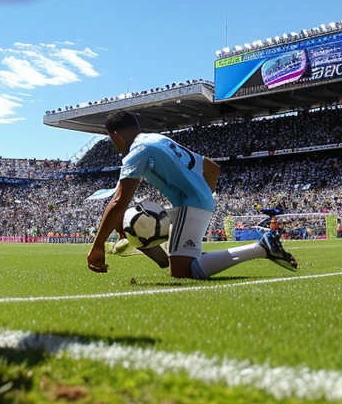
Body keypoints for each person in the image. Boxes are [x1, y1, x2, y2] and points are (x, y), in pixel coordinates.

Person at [87, 111, 297, 279]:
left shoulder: (136, 152)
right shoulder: (157, 140)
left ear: (116, 135)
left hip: (190, 203)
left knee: (182, 271)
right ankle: (168, 255)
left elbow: (119, 200)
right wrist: (202, 195)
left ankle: (261, 248)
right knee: (178, 258)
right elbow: (212, 168)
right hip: (194, 202)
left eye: (111, 140)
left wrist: (97, 247)